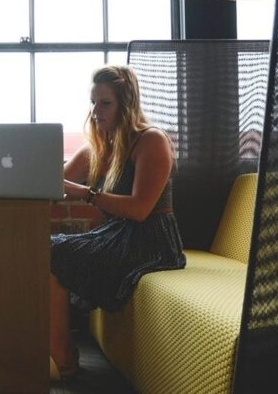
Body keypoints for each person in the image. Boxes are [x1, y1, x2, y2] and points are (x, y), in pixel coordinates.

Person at [50, 65, 186, 380]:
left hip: (151, 240)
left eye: (104, 103)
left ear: (126, 105)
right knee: (46, 249)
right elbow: (53, 184)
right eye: (93, 102)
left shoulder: (151, 140)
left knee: (54, 253)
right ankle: (60, 350)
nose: (95, 111)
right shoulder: (98, 147)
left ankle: (63, 356)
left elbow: (140, 210)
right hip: (116, 235)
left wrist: (87, 194)